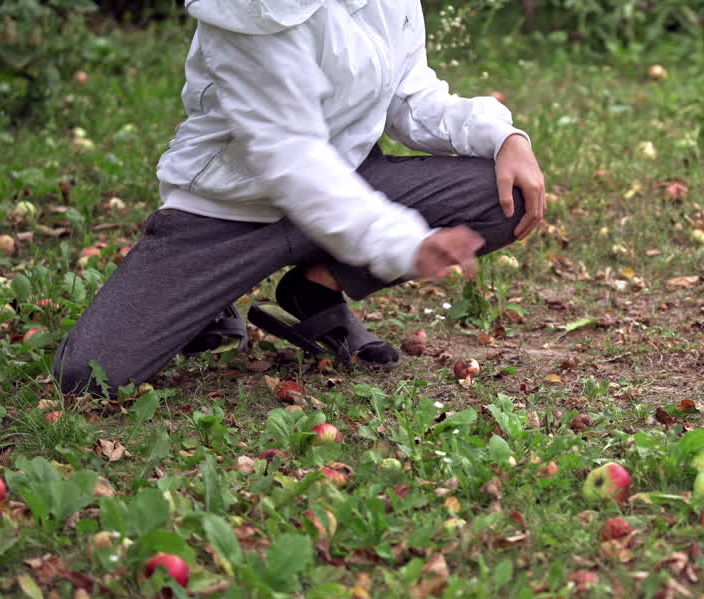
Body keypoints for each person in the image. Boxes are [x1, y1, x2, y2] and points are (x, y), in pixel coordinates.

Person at [53, 0, 545, 396]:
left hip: (349, 175)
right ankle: (210, 295)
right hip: (229, 210)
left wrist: (503, 138)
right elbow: (289, 154)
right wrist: (399, 243)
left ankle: (314, 288)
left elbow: (410, 95)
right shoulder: (250, 7)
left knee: (505, 197)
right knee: (89, 376)